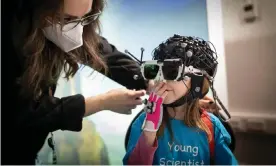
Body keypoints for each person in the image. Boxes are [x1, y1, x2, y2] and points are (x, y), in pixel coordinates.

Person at [2, 0, 149, 164]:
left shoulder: (55, 26)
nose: (76, 32)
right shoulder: (8, 40)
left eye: (85, 18)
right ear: (38, 9)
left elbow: (97, 49)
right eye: (67, 19)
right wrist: (101, 102)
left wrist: (147, 78)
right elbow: (21, 115)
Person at [123, 35, 238, 165]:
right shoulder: (143, 122)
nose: (162, 80)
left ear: (197, 82)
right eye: (156, 71)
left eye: (171, 72)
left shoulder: (212, 127)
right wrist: (149, 129)